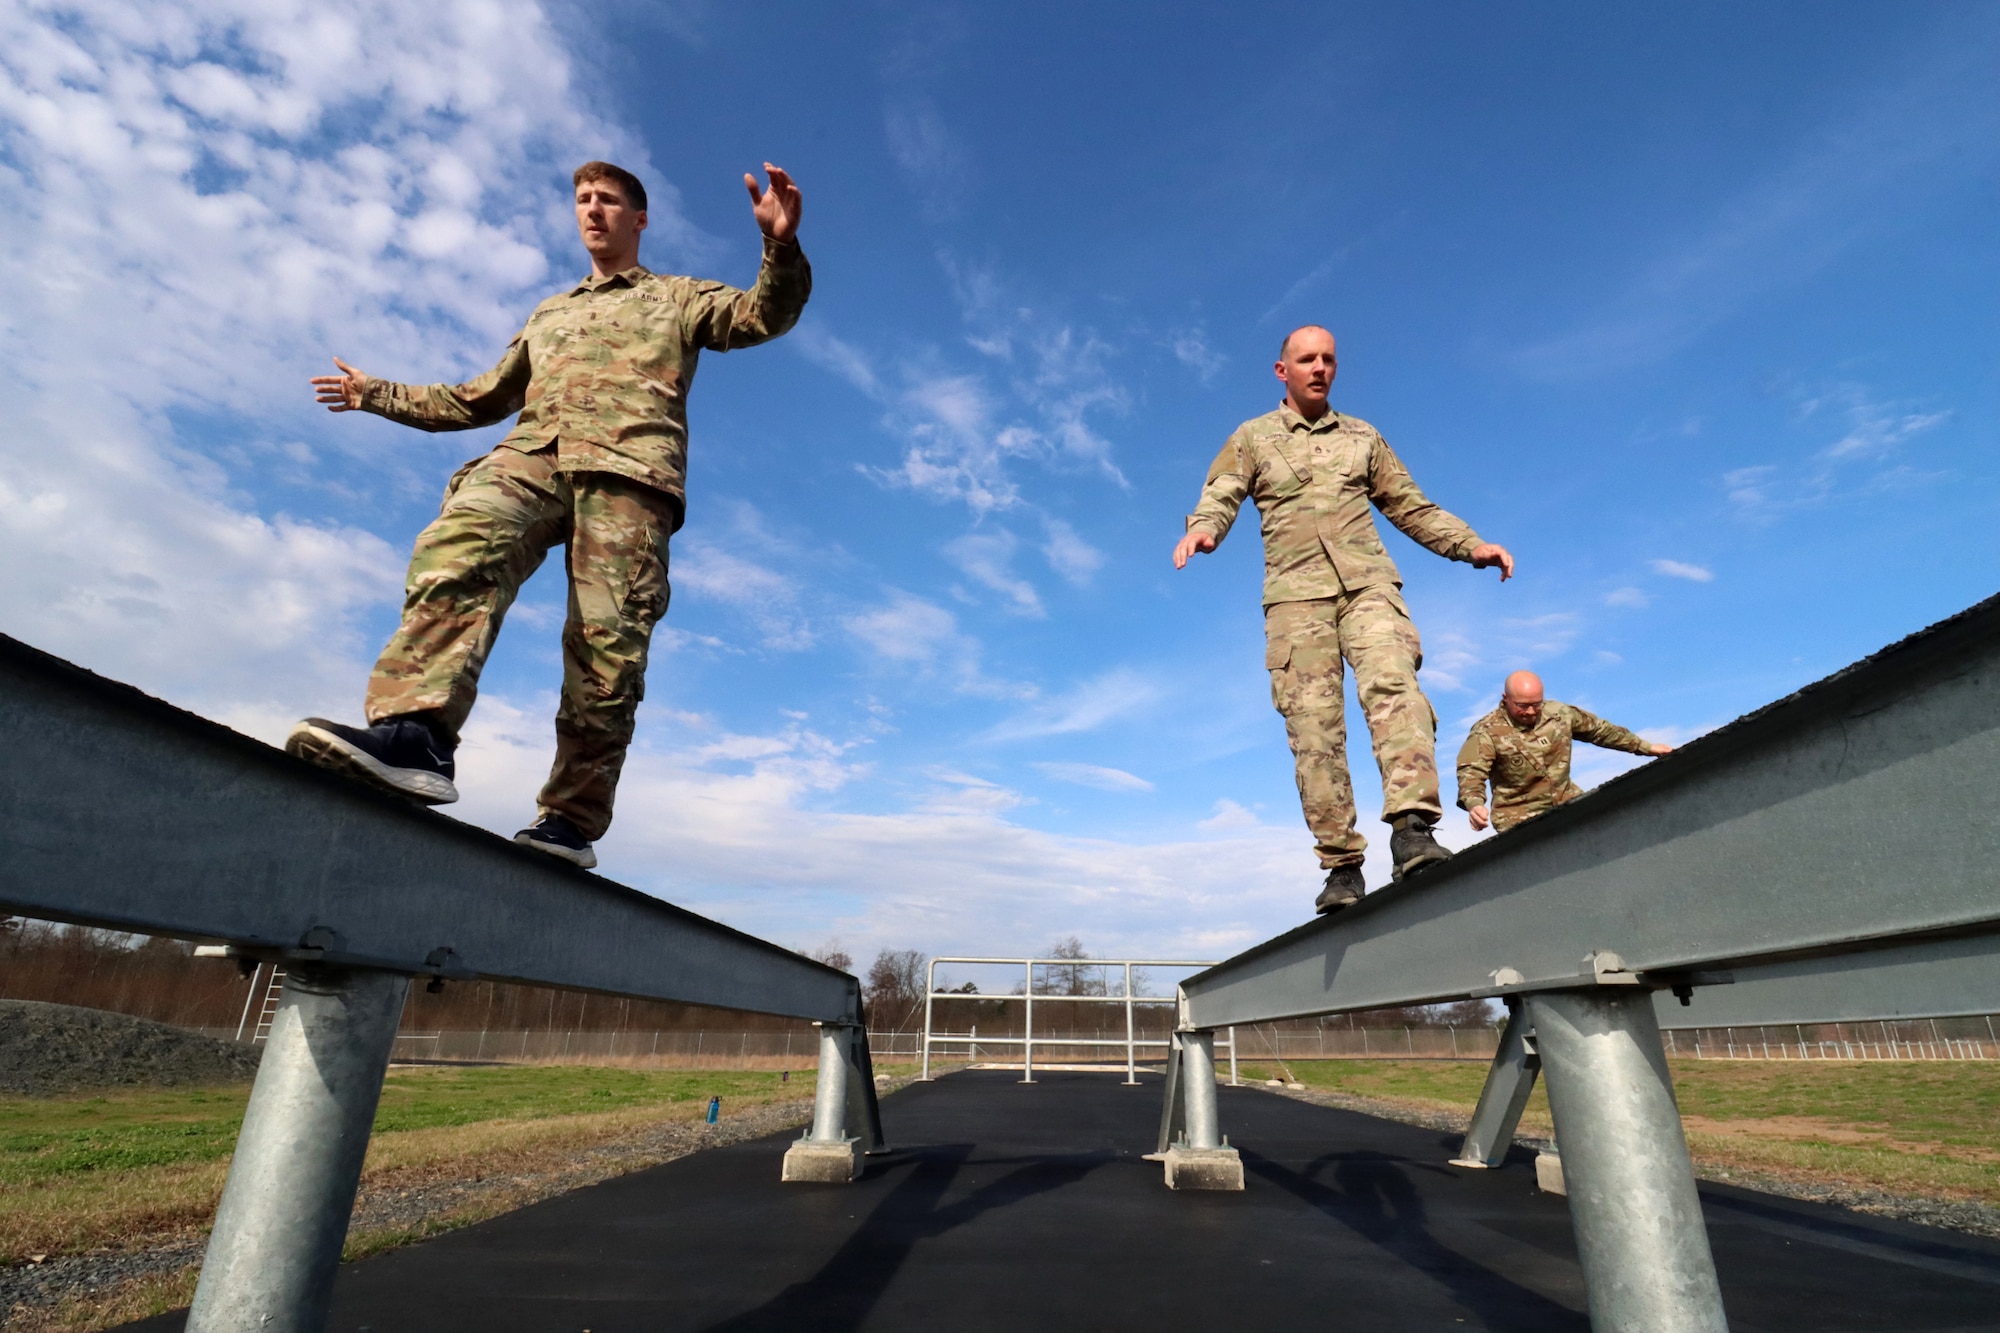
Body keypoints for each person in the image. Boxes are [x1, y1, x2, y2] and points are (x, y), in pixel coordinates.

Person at [286, 160, 810, 870]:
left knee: (606, 654)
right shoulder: (550, 313)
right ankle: (417, 737)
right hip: (536, 454)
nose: (592, 210)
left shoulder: (676, 298)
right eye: (583, 200)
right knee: (461, 541)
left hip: (628, 478)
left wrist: (778, 245)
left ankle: (569, 820)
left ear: (639, 218)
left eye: (609, 200)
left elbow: (762, 315)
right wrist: (374, 391)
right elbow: (476, 399)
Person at [1174, 326, 1514, 914]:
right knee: (1313, 729)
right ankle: (1341, 866)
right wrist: (1204, 530)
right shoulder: (1252, 438)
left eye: (1329, 359)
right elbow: (1222, 491)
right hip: (1294, 603)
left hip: (1369, 587)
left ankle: (1412, 832)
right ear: (1282, 371)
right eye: (1306, 359)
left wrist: (1469, 545)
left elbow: (1410, 505)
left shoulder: (1363, 437)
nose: (1319, 368)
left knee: (1395, 688)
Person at [1456, 670, 1673, 833]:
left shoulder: (1559, 714)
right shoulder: (1486, 731)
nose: (1530, 712)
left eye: (1536, 704)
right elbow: (1471, 773)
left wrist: (1645, 747)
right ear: (1505, 698)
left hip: (1567, 801)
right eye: (1522, 706)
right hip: (1517, 818)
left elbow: (1600, 731)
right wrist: (1475, 805)